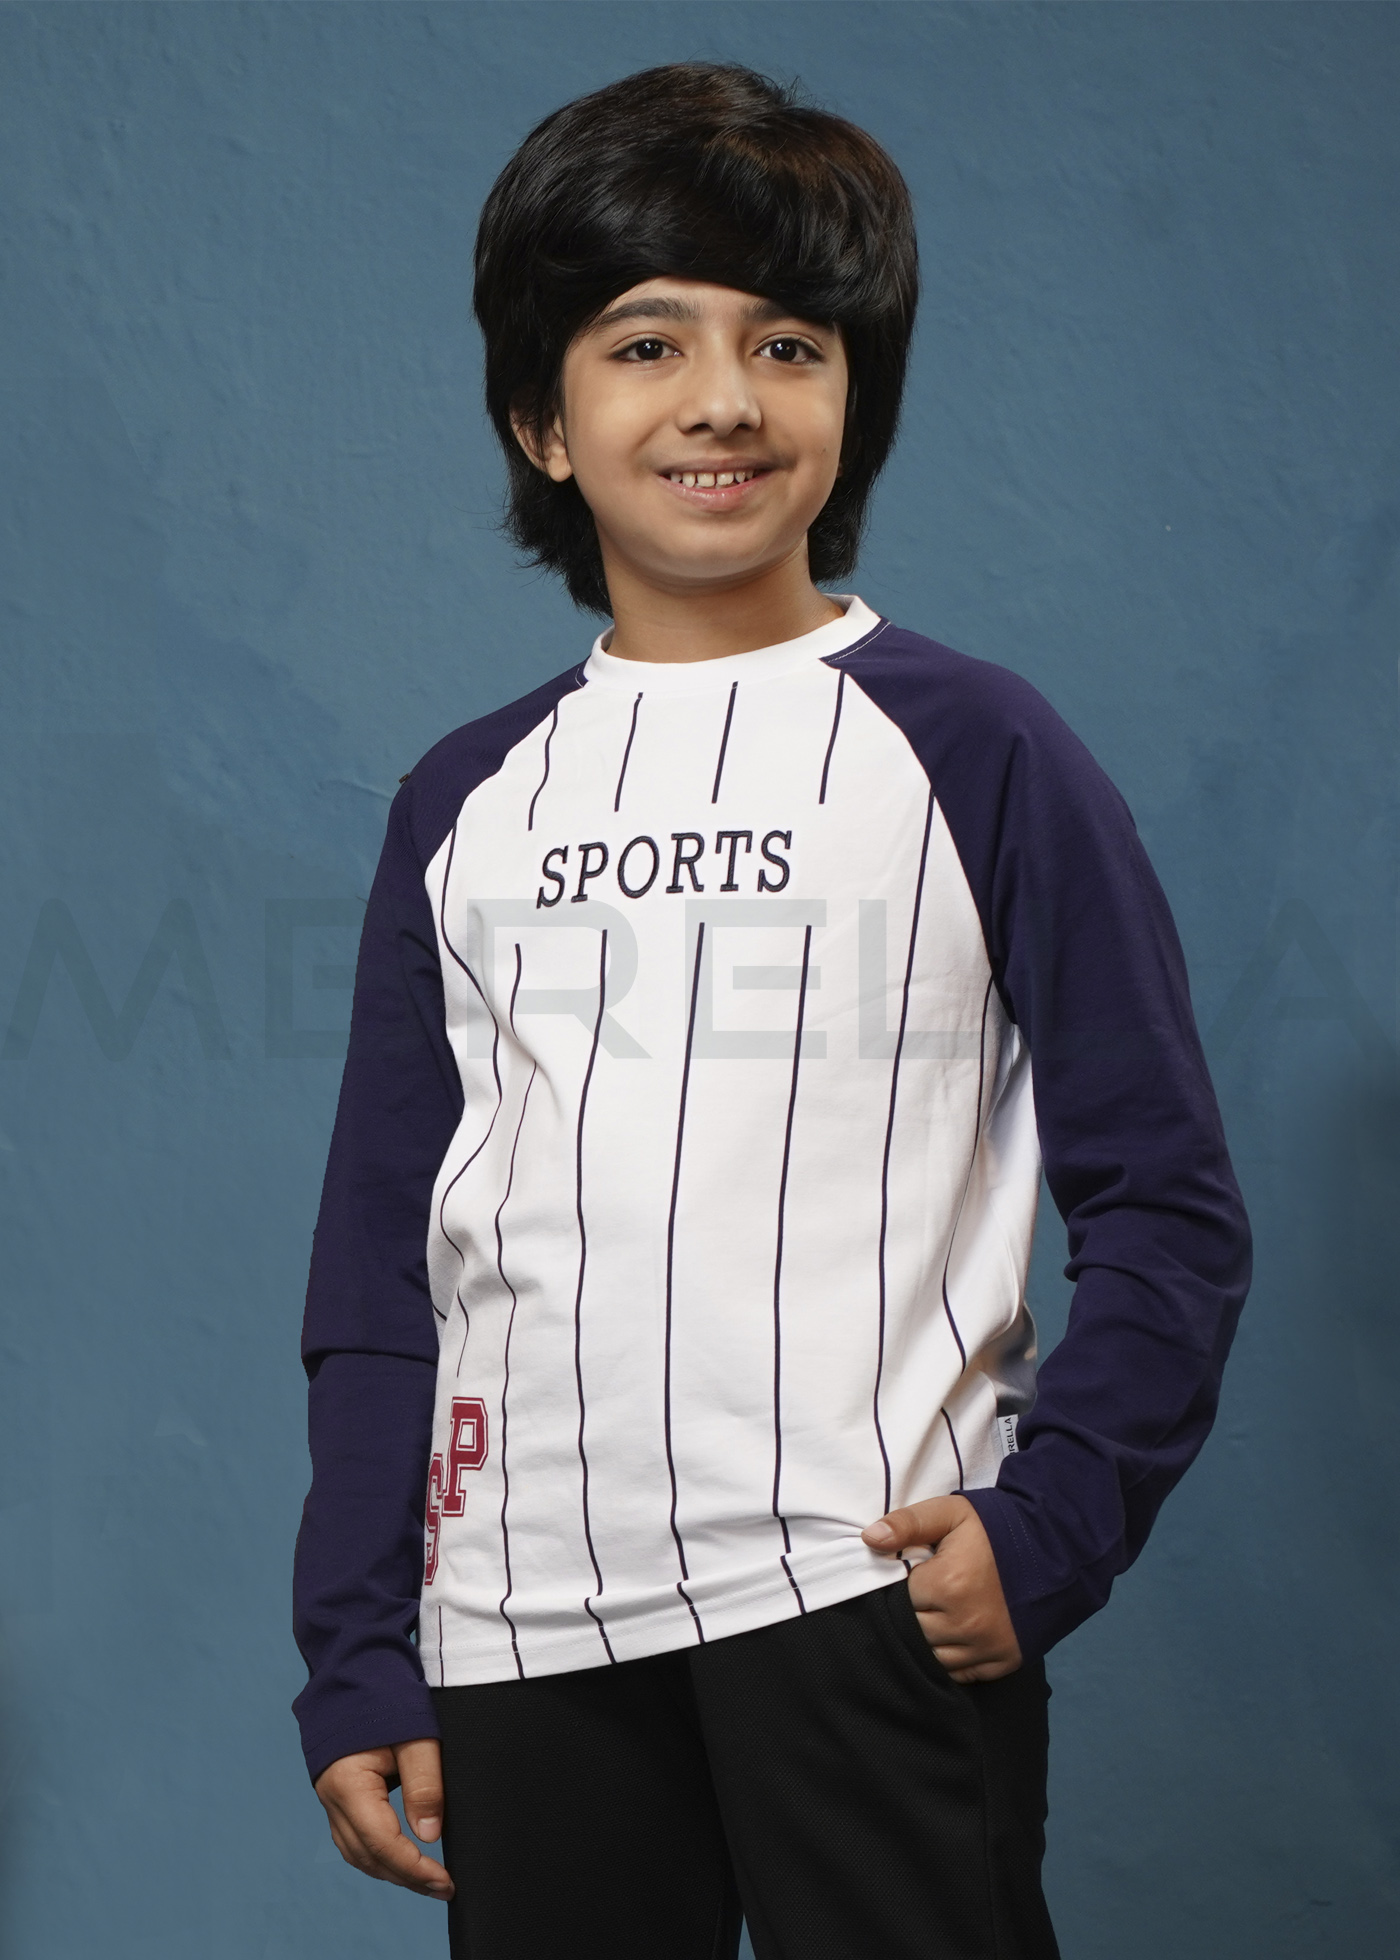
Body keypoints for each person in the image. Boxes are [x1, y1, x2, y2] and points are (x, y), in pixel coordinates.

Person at [292, 62, 1251, 1960]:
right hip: (518, 1625)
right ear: (541, 420)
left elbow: (1169, 1205)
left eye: (789, 345)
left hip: (860, 1595)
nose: (723, 398)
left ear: (850, 402)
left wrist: (1051, 1526)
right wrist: (358, 1647)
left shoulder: (977, 747)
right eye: (646, 343)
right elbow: (384, 1274)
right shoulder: (464, 801)